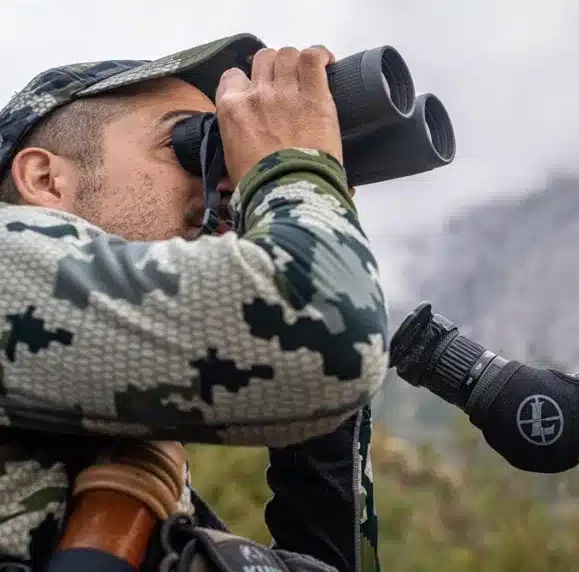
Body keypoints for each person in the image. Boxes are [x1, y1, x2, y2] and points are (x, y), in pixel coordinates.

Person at [0, 33, 387, 571]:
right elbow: (328, 342)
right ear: (46, 180)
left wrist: (302, 227)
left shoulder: (117, 441)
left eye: (229, 152)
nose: (227, 185)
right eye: (190, 145)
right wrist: (295, 170)